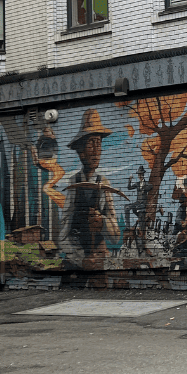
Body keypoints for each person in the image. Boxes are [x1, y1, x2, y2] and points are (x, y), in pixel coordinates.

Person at [59, 109, 121, 264]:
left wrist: (103, 223)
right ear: (80, 151)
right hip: (78, 260)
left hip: (99, 259)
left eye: (98, 143)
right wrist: (79, 258)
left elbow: (115, 236)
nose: (96, 150)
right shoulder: (73, 183)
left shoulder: (104, 184)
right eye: (91, 143)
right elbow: (64, 233)